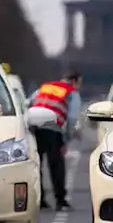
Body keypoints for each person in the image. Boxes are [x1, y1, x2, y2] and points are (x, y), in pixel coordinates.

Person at [27, 69, 82, 211]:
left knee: (36, 165)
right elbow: (71, 118)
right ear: (75, 81)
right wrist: (66, 139)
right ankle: (60, 200)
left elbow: (29, 102)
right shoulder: (72, 93)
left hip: (35, 127)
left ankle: (39, 200)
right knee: (56, 165)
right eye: (79, 83)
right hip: (53, 128)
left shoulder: (46, 86)